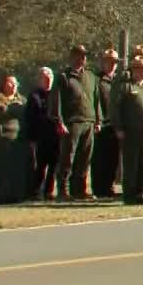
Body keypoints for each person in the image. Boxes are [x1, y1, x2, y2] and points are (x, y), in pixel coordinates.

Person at [52, 44, 100, 202]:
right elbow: (57, 101)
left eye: (85, 55)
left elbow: (96, 99)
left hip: (89, 121)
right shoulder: (64, 76)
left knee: (85, 158)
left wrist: (98, 119)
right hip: (72, 122)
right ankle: (63, 190)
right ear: (72, 56)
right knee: (68, 157)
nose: (83, 58)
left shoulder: (91, 76)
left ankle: (80, 189)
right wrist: (59, 121)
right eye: (79, 55)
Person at [114, 56, 143, 205]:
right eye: (141, 68)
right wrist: (119, 127)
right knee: (131, 164)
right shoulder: (126, 86)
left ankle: (141, 194)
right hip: (131, 131)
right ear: (134, 70)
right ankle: (129, 195)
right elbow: (116, 107)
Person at [0, 74, 29, 205]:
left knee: (14, 170)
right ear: (3, 84)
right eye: (10, 83)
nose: (14, 86)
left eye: (16, 83)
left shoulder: (22, 100)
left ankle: (14, 196)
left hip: (17, 141)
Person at [91, 48, 122, 198]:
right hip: (101, 124)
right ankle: (98, 189)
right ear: (103, 62)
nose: (112, 64)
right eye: (109, 61)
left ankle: (109, 187)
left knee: (113, 158)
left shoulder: (118, 80)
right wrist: (97, 119)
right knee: (99, 158)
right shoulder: (97, 79)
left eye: (115, 62)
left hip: (115, 124)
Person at [26, 67, 59, 201]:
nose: (48, 80)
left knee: (54, 165)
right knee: (40, 166)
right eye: (45, 78)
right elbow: (30, 119)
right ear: (39, 80)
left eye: (50, 77)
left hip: (55, 136)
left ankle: (48, 191)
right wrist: (32, 138)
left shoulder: (56, 94)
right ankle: (35, 192)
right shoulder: (34, 96)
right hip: (40, 137)